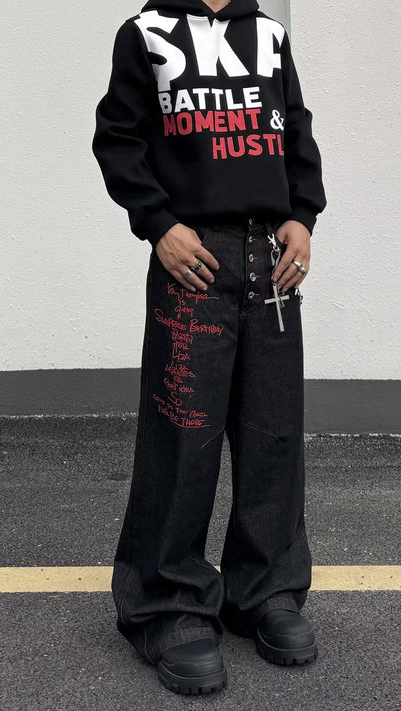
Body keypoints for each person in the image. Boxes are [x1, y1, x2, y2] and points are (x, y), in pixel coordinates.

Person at [92, 0, 327, 696]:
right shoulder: (146, 35)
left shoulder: (270, 36)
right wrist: (158, 223)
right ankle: (167, 604)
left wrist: (302, 216)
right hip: (193, 260)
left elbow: (296, 133)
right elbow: (117, 137)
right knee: (182, 438)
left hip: (270, 263)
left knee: (273, 435)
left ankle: (265, 591)